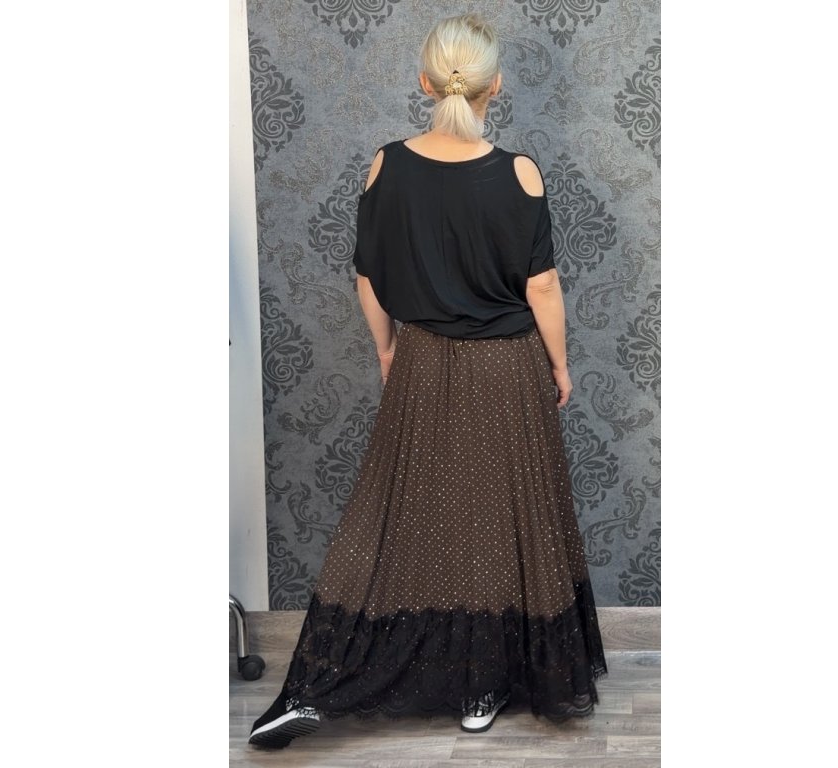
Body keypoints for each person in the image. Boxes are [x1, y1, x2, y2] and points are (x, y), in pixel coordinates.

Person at [248, 12, 608, 750]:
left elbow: (368, 276)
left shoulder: (385, 164)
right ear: (494, 87)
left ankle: (322, 679)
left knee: (401, 518)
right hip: (507, 368)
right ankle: (480, 686)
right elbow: (541, 286)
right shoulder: (520, 172)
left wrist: (387, 352)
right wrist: (560, 365)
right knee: (498, 522)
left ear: (423, 82)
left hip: (421, 359)